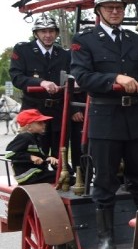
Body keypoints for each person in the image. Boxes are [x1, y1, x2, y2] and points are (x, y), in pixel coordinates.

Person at [70, 0, 138, 249]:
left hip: (134, 117)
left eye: (119, 7)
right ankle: (106, 238)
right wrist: (115, 79)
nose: (114, 11)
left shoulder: (135, 39)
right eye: (109, 7)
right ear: (98, 11)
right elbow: (82, 76)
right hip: (105, 118)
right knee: (105, 180)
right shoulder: (84, 40)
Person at [10, 15, 84, 164]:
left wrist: (74, 108)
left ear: (56, 33)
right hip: (34, 111)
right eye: (43, 31)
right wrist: (41, 82)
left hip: (59, 111)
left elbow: (72, 82)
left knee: (60, 151)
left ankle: (61, 180)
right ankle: (37, 182)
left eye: (51, 31)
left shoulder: (65, 54)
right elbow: (16, 77)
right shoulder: (23, 50)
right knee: (35, 150)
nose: (48, 35)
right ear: (36, 33)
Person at [4, 109, 58, 185]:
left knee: (61, 174)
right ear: (29, 127)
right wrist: (30, 157)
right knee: (63, 176)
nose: (44, 124)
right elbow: (9, 153)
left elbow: (38, 155)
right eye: (40, 123)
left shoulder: (35, 137)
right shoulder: (24, 137)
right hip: (28, 175)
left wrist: (48, 158)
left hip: (36, 173)